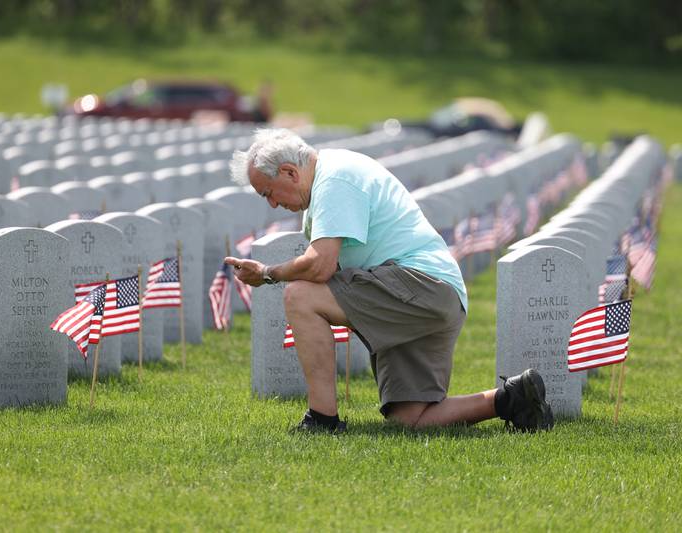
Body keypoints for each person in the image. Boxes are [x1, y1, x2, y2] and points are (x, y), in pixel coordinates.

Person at [226, 128, 554, 434]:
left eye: (267, 192)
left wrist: (268, 273)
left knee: (300, 296)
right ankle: (512, 398)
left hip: (419, 285)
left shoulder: (335, 178)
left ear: (289, 172)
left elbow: (320, 266)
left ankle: (322, 418)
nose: (271, 203)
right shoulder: (333, 175)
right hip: (437, 294)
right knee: (410, 419)